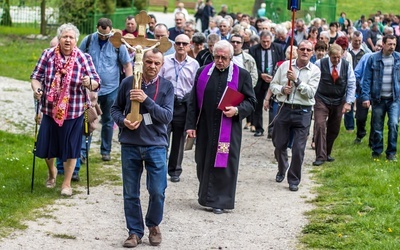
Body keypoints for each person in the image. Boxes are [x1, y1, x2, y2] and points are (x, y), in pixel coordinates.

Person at [110, 48, 174, 248]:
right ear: (141, 62)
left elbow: (166, 117)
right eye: (149, 62)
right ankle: (134, 232)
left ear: (161, 65)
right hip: (130, 144)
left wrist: (146, 100)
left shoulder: (167, 87)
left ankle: (153, 225)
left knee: (157, 190)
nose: (152, 66)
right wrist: (123, 122)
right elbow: (115, 109)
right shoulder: (127, 83)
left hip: (155, 145)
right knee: (130, 192)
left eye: (156, 63)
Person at [186, 40, 256, 214]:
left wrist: (237, 110)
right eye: (216, 57)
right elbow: (193, 101)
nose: (219, 61)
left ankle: (221, 201)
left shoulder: (242, 75)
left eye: (223, 58)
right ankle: (206, 198)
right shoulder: (203, 72)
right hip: (205, 127)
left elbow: (251, 101)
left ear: (231, 57)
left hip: (229, 128)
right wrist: (190, 125)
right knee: (202, 161)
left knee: (224, 164)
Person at [30, 23, 100, 196]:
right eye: (64, 37)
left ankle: (66, 184)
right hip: (49, 110)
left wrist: (89, 82)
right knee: (47, 147)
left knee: (71, 149)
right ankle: (52, 172)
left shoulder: (83, 58)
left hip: (74, 112)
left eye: (71, 37)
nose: (68, 40)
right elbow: (35, 77)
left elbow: (96, 82)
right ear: (59, 39)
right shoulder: (47, 55)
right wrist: (37, 89)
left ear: (76, 40)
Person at [79, 18, 133, 162]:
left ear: (111, 29)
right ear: (97, 28)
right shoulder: (89, 40)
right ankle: (83, 152)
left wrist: (129, 85)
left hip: (111, 89)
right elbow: (77, 58)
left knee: (108, 120)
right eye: (101, 34)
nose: (103, 37)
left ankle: (105, 150)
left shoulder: (117, 43)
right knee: (87, 119)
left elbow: (127, 65)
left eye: (106, 35)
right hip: (90, 89)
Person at [269, 40, 320, 191]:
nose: (305, 52)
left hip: (303, 111)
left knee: (298, 148)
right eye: (302, 49)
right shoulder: (285, 66)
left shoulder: (315, 71)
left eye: (308, 50)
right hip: (284, 109)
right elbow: (273, 84)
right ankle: (282, 166)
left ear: (312, 53)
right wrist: (282, 89)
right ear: (297, 51)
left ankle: (294, 179)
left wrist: (297, 81)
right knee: (279, 144)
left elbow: (311, 93)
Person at [159, 34, 199, 182]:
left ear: (189, 46)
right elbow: (160, 81)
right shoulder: (165, 61)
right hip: (167, 104)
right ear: (174, 45)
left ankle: (175, 170)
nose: (181, 46)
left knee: (179, 140)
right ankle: (159, 168)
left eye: (184, 43)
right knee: (162, 137)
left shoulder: (194, 65)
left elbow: (195, 87)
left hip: (183, 105)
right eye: (178, 43)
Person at [313, 44, 356, 166]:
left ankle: (327, 152)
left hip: (338, 100)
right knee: (320, 125)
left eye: (339, 57)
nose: (336, 60)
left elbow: (352, 83)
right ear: (329, 55)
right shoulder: (319, 64)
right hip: (321, 99)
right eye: (334, 58)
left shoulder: (347, 66)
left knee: (334, 128)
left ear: (342, 55)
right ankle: (320, 156)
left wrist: (348, 102)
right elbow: (313, 81)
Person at [361, 35, 400, 161]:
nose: (392, 47)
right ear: (383, 44)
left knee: (393, 124)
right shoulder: (373, 58)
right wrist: (365, 97)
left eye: (394, 44)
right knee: (377, 127)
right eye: (389, 44)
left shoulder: (398, 59)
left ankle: (391, 153)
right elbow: (366, 79)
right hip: (378, 99)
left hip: (394, 98)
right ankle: (377, 151)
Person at [248, 30, 285, 137]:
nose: (265, 43)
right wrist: (261, 75)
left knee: (273, 106)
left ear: (271, 40)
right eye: (263, 41)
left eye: (268, 41)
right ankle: (259, 128)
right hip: (260, 80)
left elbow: (282, 63)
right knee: (258, 105)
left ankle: (272, 129)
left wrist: (275, 76)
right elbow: (252, 66)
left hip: (274, 79)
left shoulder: (277, 48)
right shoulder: (253, 50)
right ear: (260, 40)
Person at [353, 39, 383, 145]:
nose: (379, 47)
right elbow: (356, 72)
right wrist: (359, 85)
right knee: (361, 117)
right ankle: (360, 134)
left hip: (378, 93)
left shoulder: (385, 60)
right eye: (377, 45)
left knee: (376, 118)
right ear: (374, 46)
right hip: (364, 91)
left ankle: (372, 141)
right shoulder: (367, 57)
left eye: (381, 45)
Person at [230, 34, 258, 130]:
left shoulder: (248, 59)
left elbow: (254, 76)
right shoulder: (225, 57)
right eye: (233, 42)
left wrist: (247, 89)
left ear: (242, 44)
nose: (235, 44)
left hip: (242, 92)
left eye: (238, 42)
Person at [344, 31, 368, 136]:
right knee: (349, 101)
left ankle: (359, 124)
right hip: (348, 80)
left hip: (361, 81)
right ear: (351, 40)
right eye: (355, 41)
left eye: (359, 41)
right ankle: (350, 127)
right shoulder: (346, 51)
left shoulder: (366, 52)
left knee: (360, 104)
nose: (357, 43)